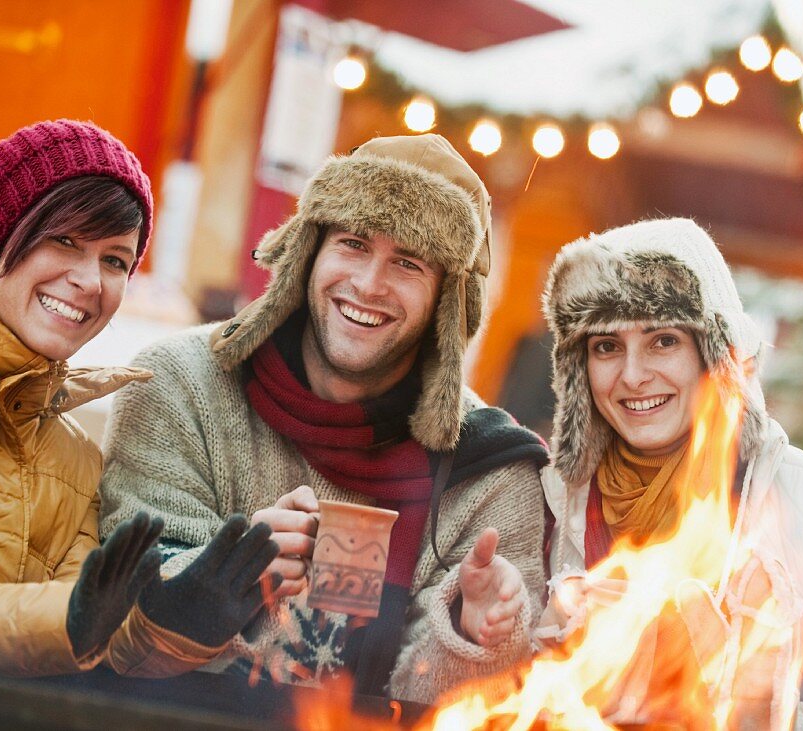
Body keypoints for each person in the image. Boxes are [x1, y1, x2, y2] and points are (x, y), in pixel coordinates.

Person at [98, 134, 549, 703]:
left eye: (408, 262)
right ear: (309, 251)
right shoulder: (180, 384)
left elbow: (463, 710)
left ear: (448, 301)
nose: (368, 284)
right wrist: (229, 571)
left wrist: (468, 636)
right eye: (353, 243)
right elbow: (121, 631)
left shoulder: (492, 469)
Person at [0, 120, 278, 676]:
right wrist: (67, 620)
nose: (90, 280)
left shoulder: (74, 455)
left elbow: (91, 647)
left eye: (115, 260)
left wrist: (179, 616)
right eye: (65, 240)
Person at [538, 219, 803, 729]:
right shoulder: (555, 507)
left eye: (663, 340)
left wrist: (732, 708)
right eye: (605, 346)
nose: (633, 375)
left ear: (715, 358)